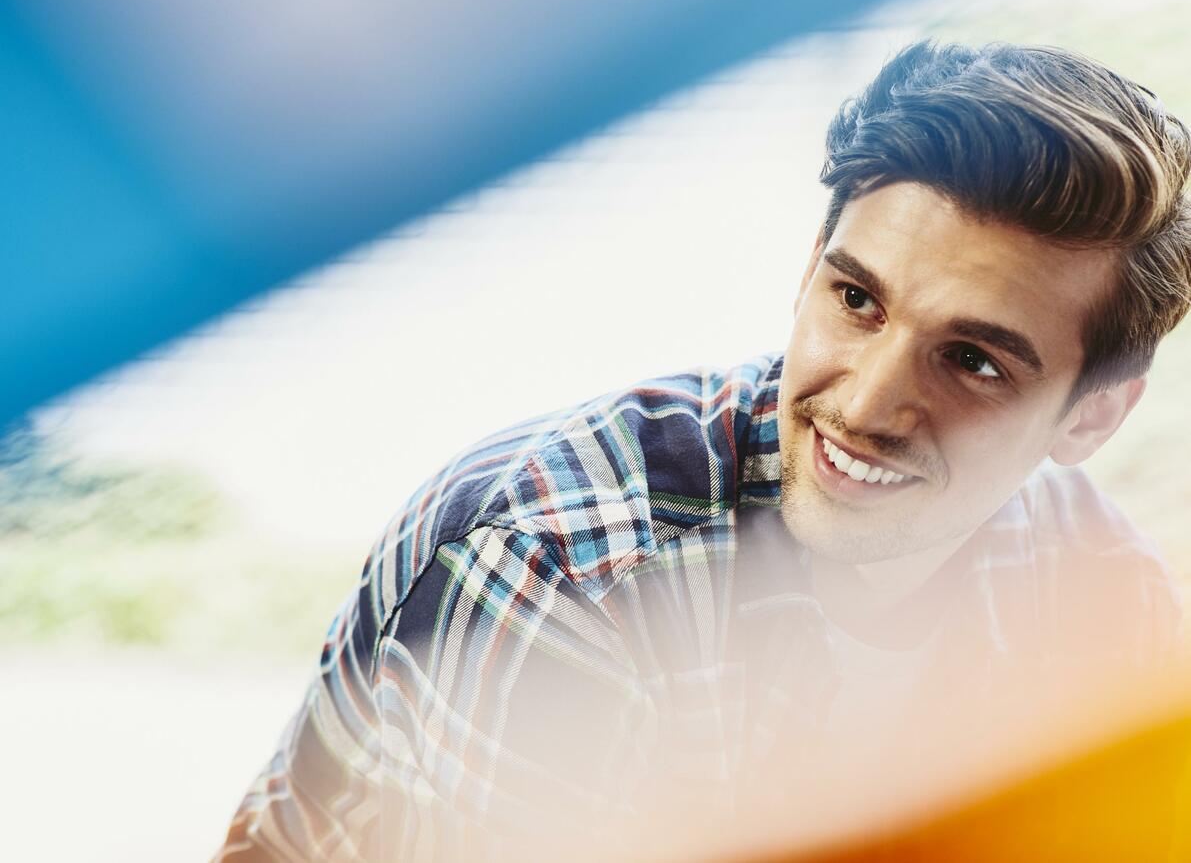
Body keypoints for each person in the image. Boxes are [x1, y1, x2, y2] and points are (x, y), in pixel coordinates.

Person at [215, 42, 1191, 861]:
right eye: (857, 300)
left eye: (972, 360)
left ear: (1089, 420)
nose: (866, 402)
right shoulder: (567, 571)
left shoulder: (1092, 583)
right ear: (810, 267)